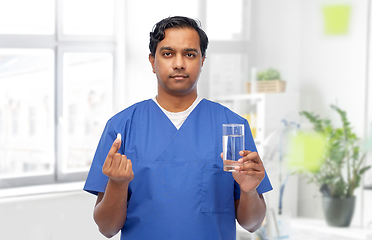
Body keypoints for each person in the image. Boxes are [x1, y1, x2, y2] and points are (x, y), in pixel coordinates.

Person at [84, 16, 273, 240]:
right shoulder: (121, 128)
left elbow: (252, 224)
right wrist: (117, 184)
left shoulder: (232, 127)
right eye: (167, 53)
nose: (179, 63)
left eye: (190, 54)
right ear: (152, 61)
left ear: (202, 60)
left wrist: (249, 191)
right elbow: (107, 228)